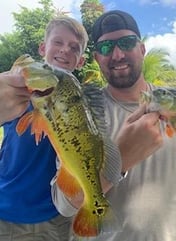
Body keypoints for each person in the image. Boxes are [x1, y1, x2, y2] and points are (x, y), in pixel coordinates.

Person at [51, 10, 176, 241]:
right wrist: (121, 160)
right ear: (97, 57)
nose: (117, 54)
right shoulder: (81, 112)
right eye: (106, 47)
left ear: (142, 49)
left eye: (126, 43)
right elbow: (65, 204)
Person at [0, 15, 88, 241]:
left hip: (55, 216)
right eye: (58, 42)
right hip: (7, 208)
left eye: (74, 48)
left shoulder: (81, 105)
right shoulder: (18, 88)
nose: (65, 50)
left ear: (80, 62)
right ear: (43, 48)